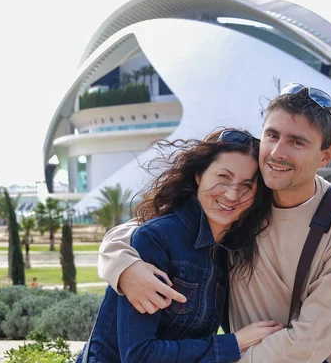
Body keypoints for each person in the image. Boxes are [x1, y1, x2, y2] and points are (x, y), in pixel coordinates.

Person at [99, 83, 331, 362]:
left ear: (326, 155)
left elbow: (307, 343)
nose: (277, 152)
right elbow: (149, 229)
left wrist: (230, 351)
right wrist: (125, 266)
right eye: (272, 135)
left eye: (297, 141)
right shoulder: (248, 197)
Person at [76, 128, 284, 362]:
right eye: (223, 177)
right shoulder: (157, 238)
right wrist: (234, 343)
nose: (232, 194)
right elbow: (139, 356)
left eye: (246, 185)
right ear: (199, 176)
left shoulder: (230, 250)